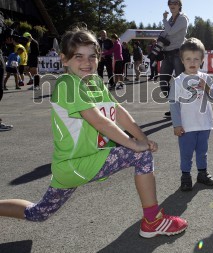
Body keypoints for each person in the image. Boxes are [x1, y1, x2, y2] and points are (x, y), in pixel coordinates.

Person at [0, 28, 188, 237]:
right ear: (64, 59)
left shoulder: (95, 82)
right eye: (78, 56)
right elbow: (99, 121)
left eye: (92, 56)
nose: (86, 63)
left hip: (86, 161)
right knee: (141, 156)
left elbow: (118, 112)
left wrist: (143, 138)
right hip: (75, 163)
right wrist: (135, 144)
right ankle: (152, 221)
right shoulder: (66, 84)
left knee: (37, 213)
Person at [168, 38, 213, 191]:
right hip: (186, 126)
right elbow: (173, 104)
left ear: (202, 60)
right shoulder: (177, 81)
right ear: (182, 61)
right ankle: (185, 176)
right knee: (186, 153)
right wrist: (177, 124)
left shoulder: (206, 78)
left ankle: (202, 174)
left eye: (196, 59)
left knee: (202, 152)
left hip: (204, 124)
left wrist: (207, 87)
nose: (192, 62)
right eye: (188, 59)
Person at [152, 0, 188, 118]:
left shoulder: (183, 18)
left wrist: (164, 19)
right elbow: (165, 33)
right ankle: (175, 106)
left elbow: (171, 32)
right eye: (170, 3)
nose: (172, 5)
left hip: (178, 54)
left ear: (179, 5)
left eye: (175, 3)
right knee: (163, 82)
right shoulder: (171, 21)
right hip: (167, 55)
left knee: (180, 83)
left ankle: (182, 108)